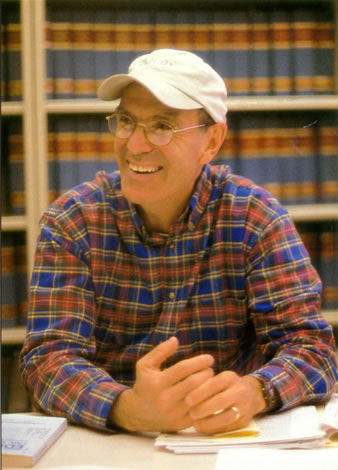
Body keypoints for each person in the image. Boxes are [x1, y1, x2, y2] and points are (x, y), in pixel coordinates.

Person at [19, 49, 337, 435]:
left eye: (162, 126)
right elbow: (48, 358)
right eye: (125, 121)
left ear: (212, 141)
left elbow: (312, 347)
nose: (135, 145)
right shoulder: (72, 222)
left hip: (227, 440)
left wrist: (255, 392)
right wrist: (125, 408)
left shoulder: (253, 216)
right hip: (114, 443)